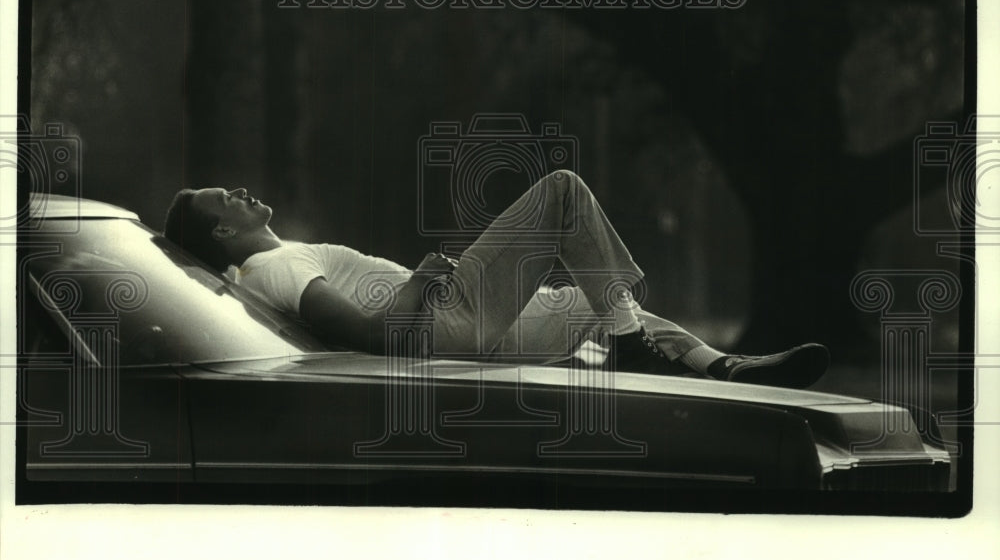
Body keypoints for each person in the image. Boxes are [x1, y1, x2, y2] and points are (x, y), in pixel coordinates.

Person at [163, 170, 829, 388]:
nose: (242, 191)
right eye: (227, 197)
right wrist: (424, 280)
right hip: (441, 318)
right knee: (562, 192)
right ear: (223, 233)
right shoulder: (273, 265)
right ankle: (627, 342)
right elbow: (370, 335)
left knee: (602, 300)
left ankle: (732, 370)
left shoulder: (271, 263)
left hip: (459, 327)